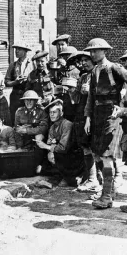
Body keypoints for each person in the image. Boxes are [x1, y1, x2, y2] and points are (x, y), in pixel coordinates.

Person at [84, 38, 127, 209]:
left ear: (104, 51)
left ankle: (106, 196)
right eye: (91, 51)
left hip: (112, 116)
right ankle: (110, 189)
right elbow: (90, 97)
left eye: (95, 50)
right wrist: (87, 117)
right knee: (97, 154)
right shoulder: (94, 71)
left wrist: (123, 103)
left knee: (106, 155)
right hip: (96, 116)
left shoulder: (115, 68)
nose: (92, 53)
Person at [65, 51, 101, 193]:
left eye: (87, 60)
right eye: (82, 60)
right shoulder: (83, 76)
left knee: (97, 148)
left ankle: (103, 178)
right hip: (82, 114)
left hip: (95, 114)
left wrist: (91, 90)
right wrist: (72, 91)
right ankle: (92, 178)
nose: (84, 63)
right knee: (85, 145)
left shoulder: (99, 73)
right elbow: (77, 99)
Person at [35, 99, 84, 186]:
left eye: (55, 112)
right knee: (39, 169)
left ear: (61, 113)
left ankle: (71, 177)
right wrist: (49, 151)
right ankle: (62, 176)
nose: (52, 115)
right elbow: (50, 142)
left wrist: (46, 147)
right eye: (50, 112)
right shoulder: (52, 127)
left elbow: (63, 148)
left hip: (72, 158)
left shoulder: (67, 125)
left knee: (69, 179)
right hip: (59, 156)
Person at [14, 90, 48, 173]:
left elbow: (43, 128)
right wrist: (21, 129)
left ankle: (38, 164)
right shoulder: (19, 112)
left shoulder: (41, 111)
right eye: (26, 100)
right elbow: (16, 126)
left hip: (36, 137)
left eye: (31, 100)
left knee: (39, 138)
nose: (28, 102)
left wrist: (27, 130)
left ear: (35, 101)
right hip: (23, 137)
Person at [5, 42, 31, 124]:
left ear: (25, 51)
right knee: (15, 118)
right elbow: (6, 82)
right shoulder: (12, 65)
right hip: (16, 96)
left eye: (19, 49)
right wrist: (16, 82)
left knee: (29, 118)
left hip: (29, 95)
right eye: (16, 49)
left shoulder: (32, 64)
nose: (16, 51)